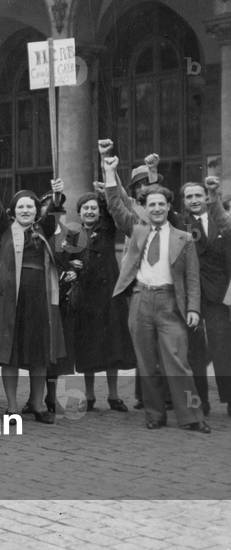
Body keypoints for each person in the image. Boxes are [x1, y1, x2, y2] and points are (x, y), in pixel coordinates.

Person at [102, 155, 209, 432]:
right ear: (145, 209)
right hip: (140, 300)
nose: (157, 208)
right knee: (146, 362)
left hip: (170, 302)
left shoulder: (183, 238)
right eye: (152, 205)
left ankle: (192, 417)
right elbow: (116, 206)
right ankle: (154, 414)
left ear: (169, 206)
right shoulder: (136, 231)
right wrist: (110, 172)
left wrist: (194, 309)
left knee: (178, 362)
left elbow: (193, 278)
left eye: (162, 204)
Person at [0, 166, 67, 423]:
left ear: (36, 210)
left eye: (30, 206)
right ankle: (11, 407)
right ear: (13, 211)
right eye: (21, 207)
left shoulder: (44, 229)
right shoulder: (6, 229)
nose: (26, 210)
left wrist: (57, 195)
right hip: (10, 301)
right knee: (10, 354)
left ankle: (39, 405)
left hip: (39, 301)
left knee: (39, 354)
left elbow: (54, 212)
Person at [60, 190, 135, 411]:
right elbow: (66, 259)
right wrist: (72, 267)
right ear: (80, 213)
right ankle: (90, 395)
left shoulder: (107, 228)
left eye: (94, 208)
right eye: (86, 208)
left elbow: (112, 206)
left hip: (109, 295)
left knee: (113, 344)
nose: (90, 212)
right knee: (88, 347)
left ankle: (113, 395)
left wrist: (105, 192)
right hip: (85, 298)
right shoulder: (73, 235)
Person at [174, 178, 231, 417]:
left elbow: (223, 221)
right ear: (184, 201)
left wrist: (214, 192)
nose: (195, 200)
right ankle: (200, 401)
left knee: (223, 347)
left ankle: (229, 400)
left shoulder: (220, 221)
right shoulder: (180, 224)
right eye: (189, 197)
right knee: (194, 351)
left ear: (205, 198)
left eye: (199, 195)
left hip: (218, 294)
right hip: (191, 297)